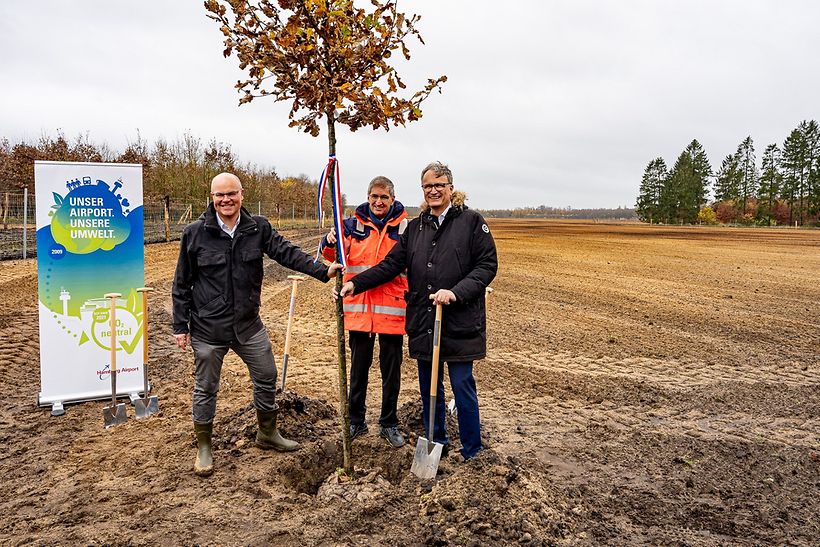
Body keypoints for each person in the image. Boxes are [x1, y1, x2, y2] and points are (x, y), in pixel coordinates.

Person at [172, 172, 342, 477]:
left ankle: (267, 433)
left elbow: (286, 252)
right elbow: (181, 282)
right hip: (208, 328)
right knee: (206, 387)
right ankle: (204, 447)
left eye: (231, 194)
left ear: (241, 194)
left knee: (266, 374)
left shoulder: (256, 227)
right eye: (219, 195)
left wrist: (322, 270)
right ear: (211, 198)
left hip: (248, 324)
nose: (226, 200)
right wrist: (180, 326)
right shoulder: (195, 233)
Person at [338, 162, 497, 461]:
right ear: (423, 191)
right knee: (429, 388)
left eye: (439, 185)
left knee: (462, 386)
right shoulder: (417, 227)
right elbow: (390, 265)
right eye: (428, 186)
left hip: (460, 321)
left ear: (451, 188)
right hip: (425, 321)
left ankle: (473, 452)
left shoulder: (472, 222)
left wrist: (456, 292)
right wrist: (355, 284)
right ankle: (437, 442)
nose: (434, 190)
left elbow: (487, 266)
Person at [319, 176, 409, 448]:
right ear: (368, 197)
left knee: (391, 371)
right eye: (374, 197)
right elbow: (330, 255)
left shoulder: (406, 228)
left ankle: (389, 423)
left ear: (392, 199)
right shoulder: (350, 226)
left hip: (392, 310)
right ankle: (356, 420)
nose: (378, 202)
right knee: (358, 369)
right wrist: (330, 239)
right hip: (358, 309)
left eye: (384, 197)